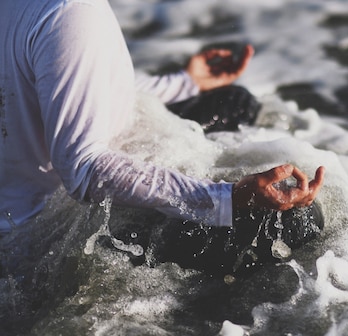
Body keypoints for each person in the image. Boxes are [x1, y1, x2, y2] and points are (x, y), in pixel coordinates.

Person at [0, 0, 325, 275]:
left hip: (12, 209)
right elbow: (85, 169)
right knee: (298, 220)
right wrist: (225, 198)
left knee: (233, 101)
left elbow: (67, 81)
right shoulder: (70, 12)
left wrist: (184, 83)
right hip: (39, 234)